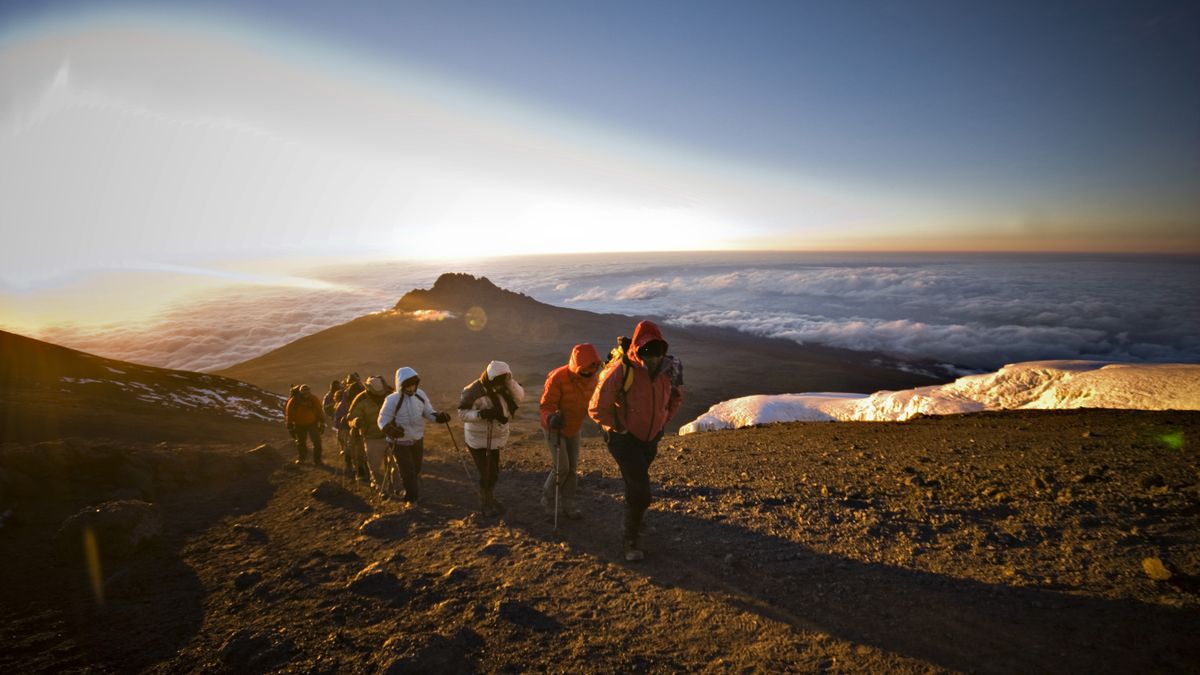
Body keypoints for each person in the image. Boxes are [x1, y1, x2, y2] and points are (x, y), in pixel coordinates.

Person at [589, 320, 683, 561]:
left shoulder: (669, 369)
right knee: (641, 491)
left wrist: (661, 422)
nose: (652, 359)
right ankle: (630, 539)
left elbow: (675, 398)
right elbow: (596, 408)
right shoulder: (622, 369)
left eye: (657, 352)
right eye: (647, 352)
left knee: (638, 482)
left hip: (650, 437)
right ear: (637, 349)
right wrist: (619, 427)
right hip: (624, 438)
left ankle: (635, 522)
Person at [539, 343, 603, 521]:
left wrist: (604, 423)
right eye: (584, 370)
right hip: (554, 428)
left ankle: (568, 504)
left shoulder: (594, 380)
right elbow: (546, 406)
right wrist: (551, 418)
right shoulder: (558, 378)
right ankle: (548, 499)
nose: (588, 373)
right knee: (562, 467)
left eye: (592, 369)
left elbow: (595, 406)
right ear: (577, 365)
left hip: (574, 428)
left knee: (572, 469)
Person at [458, 360, 524, 516]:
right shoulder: (473, 391)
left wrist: (510, 381)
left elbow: (520, 397)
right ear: (491, 378)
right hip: (477, 439)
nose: (500, 385)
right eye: (499, 381)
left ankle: (489, 498)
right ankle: (485, 503)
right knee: (488, 472)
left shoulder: (506, 386)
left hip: (496, 437)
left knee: (493, 472)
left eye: (503, 380)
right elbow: (462, 414)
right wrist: (482, 414)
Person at [377, 367, 451, 504]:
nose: (412, 388)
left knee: (416, 468)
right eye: (408, 385)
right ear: (401, 385)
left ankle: (411, 493)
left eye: (414, 385)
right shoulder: (392, 399)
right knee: (407, 470)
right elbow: (382, 420)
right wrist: (391, 430)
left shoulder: (420, 395)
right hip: (399, 442)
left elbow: (428, 411)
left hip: (417, 439)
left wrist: (439, 417)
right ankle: (411, 498)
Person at [347, 375, 391, 496]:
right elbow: (350, 417)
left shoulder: (390, 394)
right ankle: (381, 487)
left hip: (391, 435)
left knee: (395, 464)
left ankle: (397, 487)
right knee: (374, 466)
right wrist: (356, 422)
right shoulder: (361, 399)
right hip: (372, 437)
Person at [334, 374, 366, 481]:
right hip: (362, 423)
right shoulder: (363, 392)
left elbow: (341, 411)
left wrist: (340, 424)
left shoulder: (345, 395)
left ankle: (354, 466)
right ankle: (361, 468)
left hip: (349, 424)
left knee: (352, 446)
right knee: (360, 447)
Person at [285, 383, 326, 465]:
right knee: (301, 442)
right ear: (300, 392)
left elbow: (319, 411)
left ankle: (317, 460)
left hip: (312, 423)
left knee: (316, 441)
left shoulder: (313, 399)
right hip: (299, 425)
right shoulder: (294, 401)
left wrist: (322, 422)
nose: (306, 394)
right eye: (304, 392)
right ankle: (302, 459)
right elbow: (289, 414)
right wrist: (289, 425)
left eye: (307, 392)